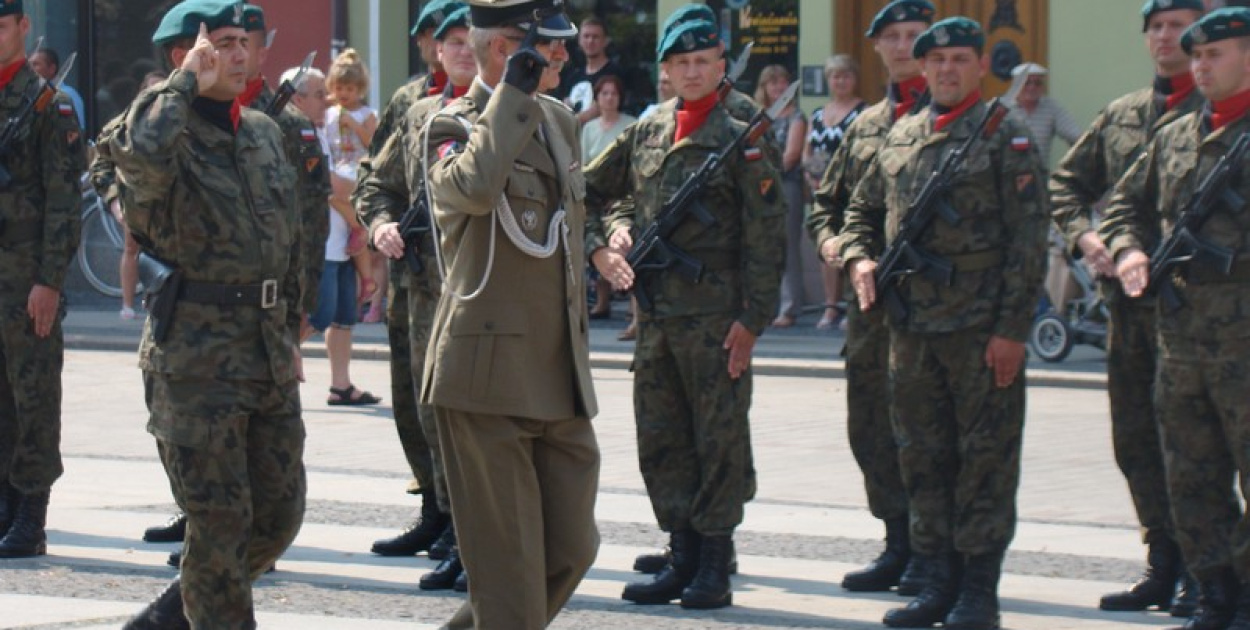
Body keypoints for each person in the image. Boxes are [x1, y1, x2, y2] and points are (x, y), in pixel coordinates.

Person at [838, 17, 1048, 629]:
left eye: (960, 59)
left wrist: (1012, 330)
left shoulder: (1005, 135)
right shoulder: (901, 135)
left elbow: (1029, 242)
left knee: (984, 460)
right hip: (910, 332)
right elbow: (860, 210)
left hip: (980, 332)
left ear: (980, 66)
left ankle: (978, 591)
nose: (948, 70)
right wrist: (859, 257)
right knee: (922, 456)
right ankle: (935, 581)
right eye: (938, 61)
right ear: (922, 69)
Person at [101, 1, 305, 627]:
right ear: (183, 54)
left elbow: (287, 240)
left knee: (277, 516)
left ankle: (173, 615)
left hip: (264, 350)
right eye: (221, 43)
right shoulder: (155, 127)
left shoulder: (264, 132)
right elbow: (139, 161)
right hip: (195, 360)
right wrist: (183, 82)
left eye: (244, 41)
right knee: (220, 526)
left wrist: (291, 330)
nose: (239, 54)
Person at [585, 15, 785, 609]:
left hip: (718, 317)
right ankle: (682, 552)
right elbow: (591, 194)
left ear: (721, 64)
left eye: (704, 61)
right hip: (655, 318)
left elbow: (766, 233)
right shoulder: (648, 128)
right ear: (666, 72)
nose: (693, 71)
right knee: (663, 437)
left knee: (717, 440)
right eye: (681, 63)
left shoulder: (744, 130)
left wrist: (753, 319)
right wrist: (608, 240)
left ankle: (714, 563)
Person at [419, 0, 599, 626]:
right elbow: (471, 187)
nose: (565, 55)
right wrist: (511, 98)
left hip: (557, 372)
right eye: (550, 46)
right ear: (508, 50)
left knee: (573, 549)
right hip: (486, 376)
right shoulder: (451, 124)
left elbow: (573, 221)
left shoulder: (559, 119)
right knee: (510, 582)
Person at [1049, 0, 1205, 618]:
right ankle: (1162, 563)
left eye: (1180, 26)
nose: (1168, 37)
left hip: (1206, 316)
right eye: (1158, 28)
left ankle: (1210, 570)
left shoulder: (1221, 113)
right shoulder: (1122, 117)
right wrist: (1086, 239)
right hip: (1131, 312)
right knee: (1137, 440)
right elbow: (1066, 184)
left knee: (1200, 446)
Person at [1101, 9, 1250, 628]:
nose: (1200, 66)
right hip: (1182, 336)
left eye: (1215, 54)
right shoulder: (1176, 135)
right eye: (1197, 56)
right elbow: (1121, 207)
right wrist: (1130, 249)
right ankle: (1215, 592)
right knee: (1190, 473)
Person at [807, 0, 934, 596]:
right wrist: (837, 247)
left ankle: (937, 553)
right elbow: (825, 206)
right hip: (871, 309)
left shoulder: (962, 121)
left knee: (931, 433)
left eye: (916, 35)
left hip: (939, 313)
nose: (905, 45)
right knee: (873, 429)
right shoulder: (864, 125)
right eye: (894, 37)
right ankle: (897, 542)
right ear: (877, 47)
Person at [357, 2, 476, 593]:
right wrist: (379, 225)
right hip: (412, 285)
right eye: (447, 40)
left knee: (452, 413)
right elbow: (376, 181)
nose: (458, 49)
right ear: (432, 47)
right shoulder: (413, 106)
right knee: (413, 408)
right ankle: (435, 512)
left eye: (468, 39)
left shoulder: (496, 111)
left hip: (467, 293)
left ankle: (464, 530)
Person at [0, 0, 84, 559]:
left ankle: (32, 514)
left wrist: (50, 280)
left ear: (23, 27)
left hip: (25, 275)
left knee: (33, 396)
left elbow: (64, 200)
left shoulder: (48, 106)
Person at [803, 54, 864, 331]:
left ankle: (853, 307)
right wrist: (809, 175)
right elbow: (808, 151)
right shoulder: (818, 114)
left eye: (846, 76)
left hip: (850, 190)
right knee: (826, 248)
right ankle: (830, 307)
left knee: (851, 246)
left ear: (854, 79)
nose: (840, 81)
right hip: (820, 191)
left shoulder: (862, 113)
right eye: (835, 76)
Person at [325, 49, 384, 324]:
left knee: (333, 194)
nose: (344, 93)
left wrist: (354, 125)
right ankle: (367, 279)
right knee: (352, 235)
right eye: (339, 88)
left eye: (349, 88)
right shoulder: (329, 113)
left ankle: (359, 227)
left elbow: (375, 144)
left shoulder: (366, 113)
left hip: (358, 168)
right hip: (338, 166)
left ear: (359, 88)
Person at [754, 65, 806, 330]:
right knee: (762, 248)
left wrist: (765, 172)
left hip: (786, 186)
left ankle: (789, 307)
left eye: (782, 83)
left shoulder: (796, 117)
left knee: (787, 247)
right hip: (758, 188)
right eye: (771, 83)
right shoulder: (757, 117)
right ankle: (765, 305)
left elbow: (792, 155)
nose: (777, 88)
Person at [582, 74, 636, 321]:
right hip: (596, 198)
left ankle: (634, 308)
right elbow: (583, 165)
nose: (609, 98)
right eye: (604, 93)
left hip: (623, 198)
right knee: (598, 246)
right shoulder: (588, 128)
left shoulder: (632, 124)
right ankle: (602, 302)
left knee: (630, 248)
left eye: (614, 93)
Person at [562, 16, 624, 124]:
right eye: (586, 36)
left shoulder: (614, 73)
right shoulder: (573, 76)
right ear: (579, 41)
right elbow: (563, 107)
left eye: (595, 37)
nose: (590, 41)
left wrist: (570, 121)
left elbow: (600, 109)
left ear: (605, 41)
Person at [30, 47, 85, 130]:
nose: (30, 69)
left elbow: (73, 133)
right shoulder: (32, 95)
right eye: (29, 65)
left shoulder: (68, 95)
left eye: (35, 64)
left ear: (52, 69)